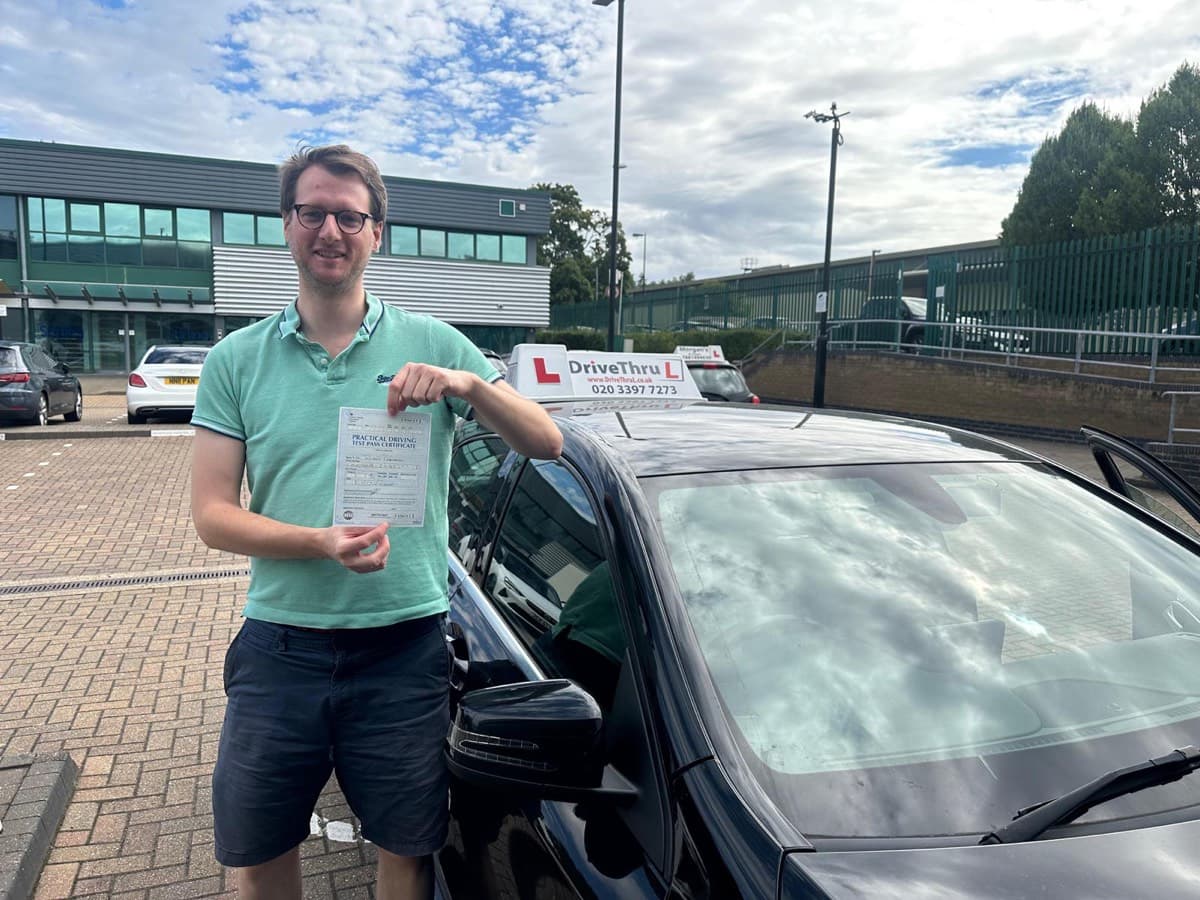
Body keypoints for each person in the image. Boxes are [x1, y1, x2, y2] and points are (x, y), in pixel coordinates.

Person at [190, 144, 562, 900]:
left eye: (350, 216)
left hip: (404, 649)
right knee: (258, 855)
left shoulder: (434, 342)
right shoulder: (235, 360)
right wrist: (318, 543)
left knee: (406, 849)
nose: (331, 230)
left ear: (377, 232)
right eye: (313, 212)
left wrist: (468, 385)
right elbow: (213, 517)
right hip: (280, 647)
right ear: (287, 225)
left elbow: (545, 441)